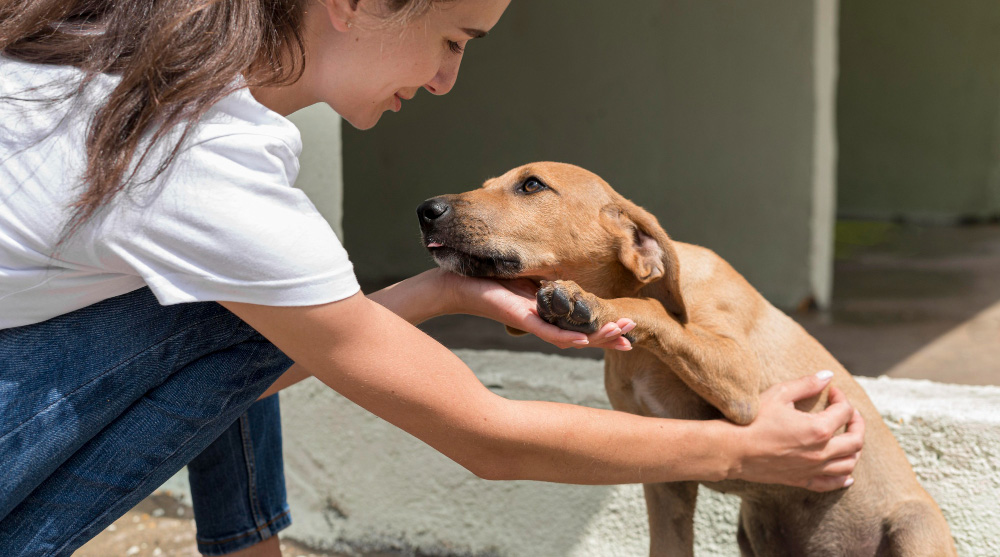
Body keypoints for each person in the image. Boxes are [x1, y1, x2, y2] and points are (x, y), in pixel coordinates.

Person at [0, 1, 865, 555]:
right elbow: (485, 434)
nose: (448, 81)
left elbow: (295, 337)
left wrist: (448, 290)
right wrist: (744, 448)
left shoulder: (127, 65)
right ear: (354, 6)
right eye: (452, 41)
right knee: (237, 307)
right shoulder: (199, 159)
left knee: (251, 302)